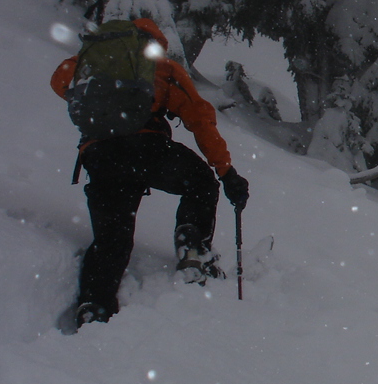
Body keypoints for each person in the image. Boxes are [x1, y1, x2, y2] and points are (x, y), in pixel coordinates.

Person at [51, 18, 249, 327]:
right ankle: (192, 246)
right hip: (147, 150)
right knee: (199, 181)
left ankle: (94, 305)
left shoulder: (92, 64)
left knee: (112, 239)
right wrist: (227, 173)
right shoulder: (163, 69)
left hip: (100, 156)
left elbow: (58, 81)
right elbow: (199, 118)